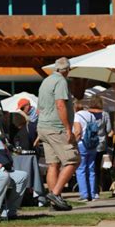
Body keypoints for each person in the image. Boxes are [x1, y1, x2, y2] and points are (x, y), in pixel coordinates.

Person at [37, 57, 80, 211]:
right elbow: (60, 104)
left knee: (53, 164)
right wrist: (68, 129)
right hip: (56, 127)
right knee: (73, 160)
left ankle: (54, 200)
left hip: (43, 126)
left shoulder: (46, 81)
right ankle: (55, 194)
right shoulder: (61, 81)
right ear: (67, 70)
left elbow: (39, 107)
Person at [73, 101, 98, 201]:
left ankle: (84, 194)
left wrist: (73, 142)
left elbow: (78, 131)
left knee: (81, 169)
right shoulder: (91, 115)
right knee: (91, 169)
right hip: (92, 144)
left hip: (82, 143)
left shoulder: (76, 116)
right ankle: (92, 193)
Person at [88, 96, 112, 193]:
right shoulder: (105, 114)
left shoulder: (87, 113)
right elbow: (109, 129)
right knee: (99, 166)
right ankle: (100, 186)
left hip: (89, 143)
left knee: (90, 166)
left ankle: (92, 187)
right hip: (101, 143)